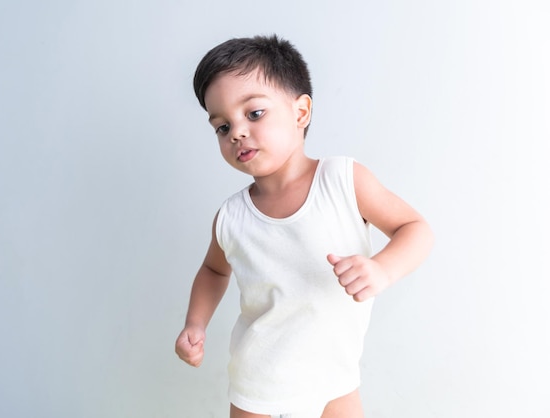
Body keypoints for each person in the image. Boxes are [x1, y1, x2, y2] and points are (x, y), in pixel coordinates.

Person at [175, 34, 434, 418]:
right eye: (222, 126)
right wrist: (194, 324)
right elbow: (214, 270)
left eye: (254, 113)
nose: (237, 132)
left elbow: (415, 227)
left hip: (336, 375)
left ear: (300, 113)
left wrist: (382, 268)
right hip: (259, 383)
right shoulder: (232, 217)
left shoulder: (344, 180)